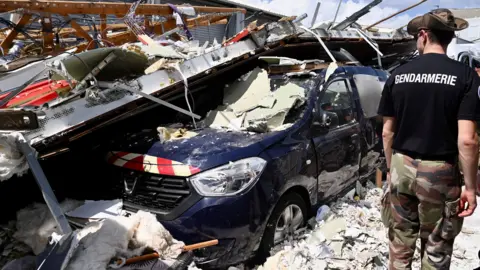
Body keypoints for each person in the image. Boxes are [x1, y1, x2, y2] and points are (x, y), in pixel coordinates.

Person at [378, 9, 480, 270]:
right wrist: (470, 186)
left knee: (399, 245)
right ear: (449, 38)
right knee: (436, 249)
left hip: (401, 165)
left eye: (416, 37)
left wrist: (391, 171)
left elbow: (387, 132)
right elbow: (467, 140)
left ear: (423, 35)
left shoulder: (397, 75)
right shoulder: (465, 76)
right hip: (441, 173)